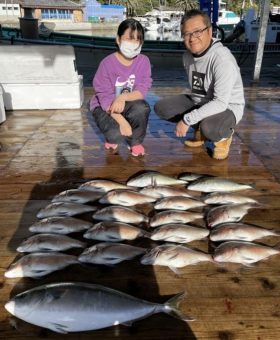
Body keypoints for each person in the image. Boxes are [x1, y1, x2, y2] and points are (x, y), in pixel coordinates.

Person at [154, 9, 245, 160]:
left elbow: (220, 103)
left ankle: (223, 138)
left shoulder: (222, 60)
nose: (192, 38)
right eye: (187, 34)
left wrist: (186, 120)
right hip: (200, 101)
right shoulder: (187, 56)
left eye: (197, 32)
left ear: (209, 31)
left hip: (227, 107)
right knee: (162, 108)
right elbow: (198, 87)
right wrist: (194, 116)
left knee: (210, 127)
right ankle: (200, 130)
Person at [90, 18, 152, 157]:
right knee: (115, 135)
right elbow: (103, 95)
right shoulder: (106, 63)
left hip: (127, 102)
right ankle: (111, 137)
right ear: (118, 39)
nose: (133, 44)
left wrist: (122, 97)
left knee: (142, 108)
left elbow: (143, 89)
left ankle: (135, 142)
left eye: (137, 40)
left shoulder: (144, 61)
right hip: (104, 106)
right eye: (129, 38)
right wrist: (121, 121)